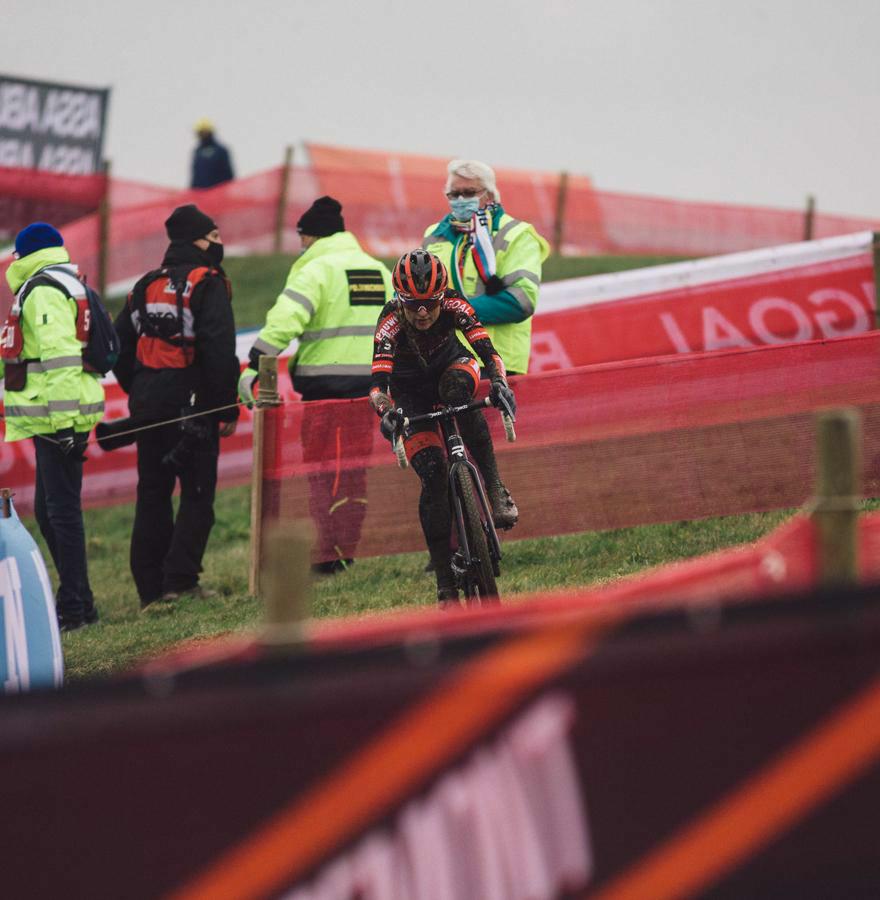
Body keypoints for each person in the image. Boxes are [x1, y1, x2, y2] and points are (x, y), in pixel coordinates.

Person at [239, 196, 393, 573]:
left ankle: (325, 556)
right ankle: (347, 549)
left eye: (302, 239)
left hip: (323, 389)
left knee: (321, 470)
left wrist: (254, 364)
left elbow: (285, 321)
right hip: (371, 387)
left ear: (310, 236)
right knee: (355, 470)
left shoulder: (315, 270)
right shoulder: (378, 270)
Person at [369, 249, 517, 609]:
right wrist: (387, 412)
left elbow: (488, 351)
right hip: (409, 391)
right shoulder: (389, 320)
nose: (422, 313)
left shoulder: (455, 303)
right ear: (400, 299)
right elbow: (378, 387)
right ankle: (445, 582)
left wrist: (499, 382)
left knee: (458, 394)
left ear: (441, 297)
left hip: (452, 365)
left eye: (430, 304)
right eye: (413, 304)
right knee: (433, 476)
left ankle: (495, 488)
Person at [112, 204, 240, 607]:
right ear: (197, 241)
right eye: (215, 238)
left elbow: (118, 349)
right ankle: (181, 582)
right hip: (195, 408)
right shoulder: (209, 282)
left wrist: (142, 389)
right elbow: (219, 351)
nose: (219, 245)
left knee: (152, 492)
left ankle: (150, 589)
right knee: (197, 493)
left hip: (149, 408)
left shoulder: (144, 285)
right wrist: (224, 409)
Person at [0, 222, 104, 631]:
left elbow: (60, 356)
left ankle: (76, 610)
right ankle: (81, 600)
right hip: (57, 415)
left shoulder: (42, 289)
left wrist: (63, 424)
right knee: (49, 511)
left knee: (60, 513)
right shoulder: (60, 280)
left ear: (23, 255)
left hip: (58, 417)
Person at [422, 159, 549, 375]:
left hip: (496, 362)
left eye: (469, 192)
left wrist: (453, 312)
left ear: (489, 194)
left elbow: (522, 301)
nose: (460, 200)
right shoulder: (434, 235)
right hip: (443, 362)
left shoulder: (517, 234)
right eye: (454, 194)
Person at [190, 118, 235, 189]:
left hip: (219, 191)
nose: (202, 135)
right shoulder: (197, 152)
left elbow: (228, 172)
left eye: (204, 132)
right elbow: (195, 175)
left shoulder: (221, 150)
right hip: (201, 193)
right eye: (200, 133)